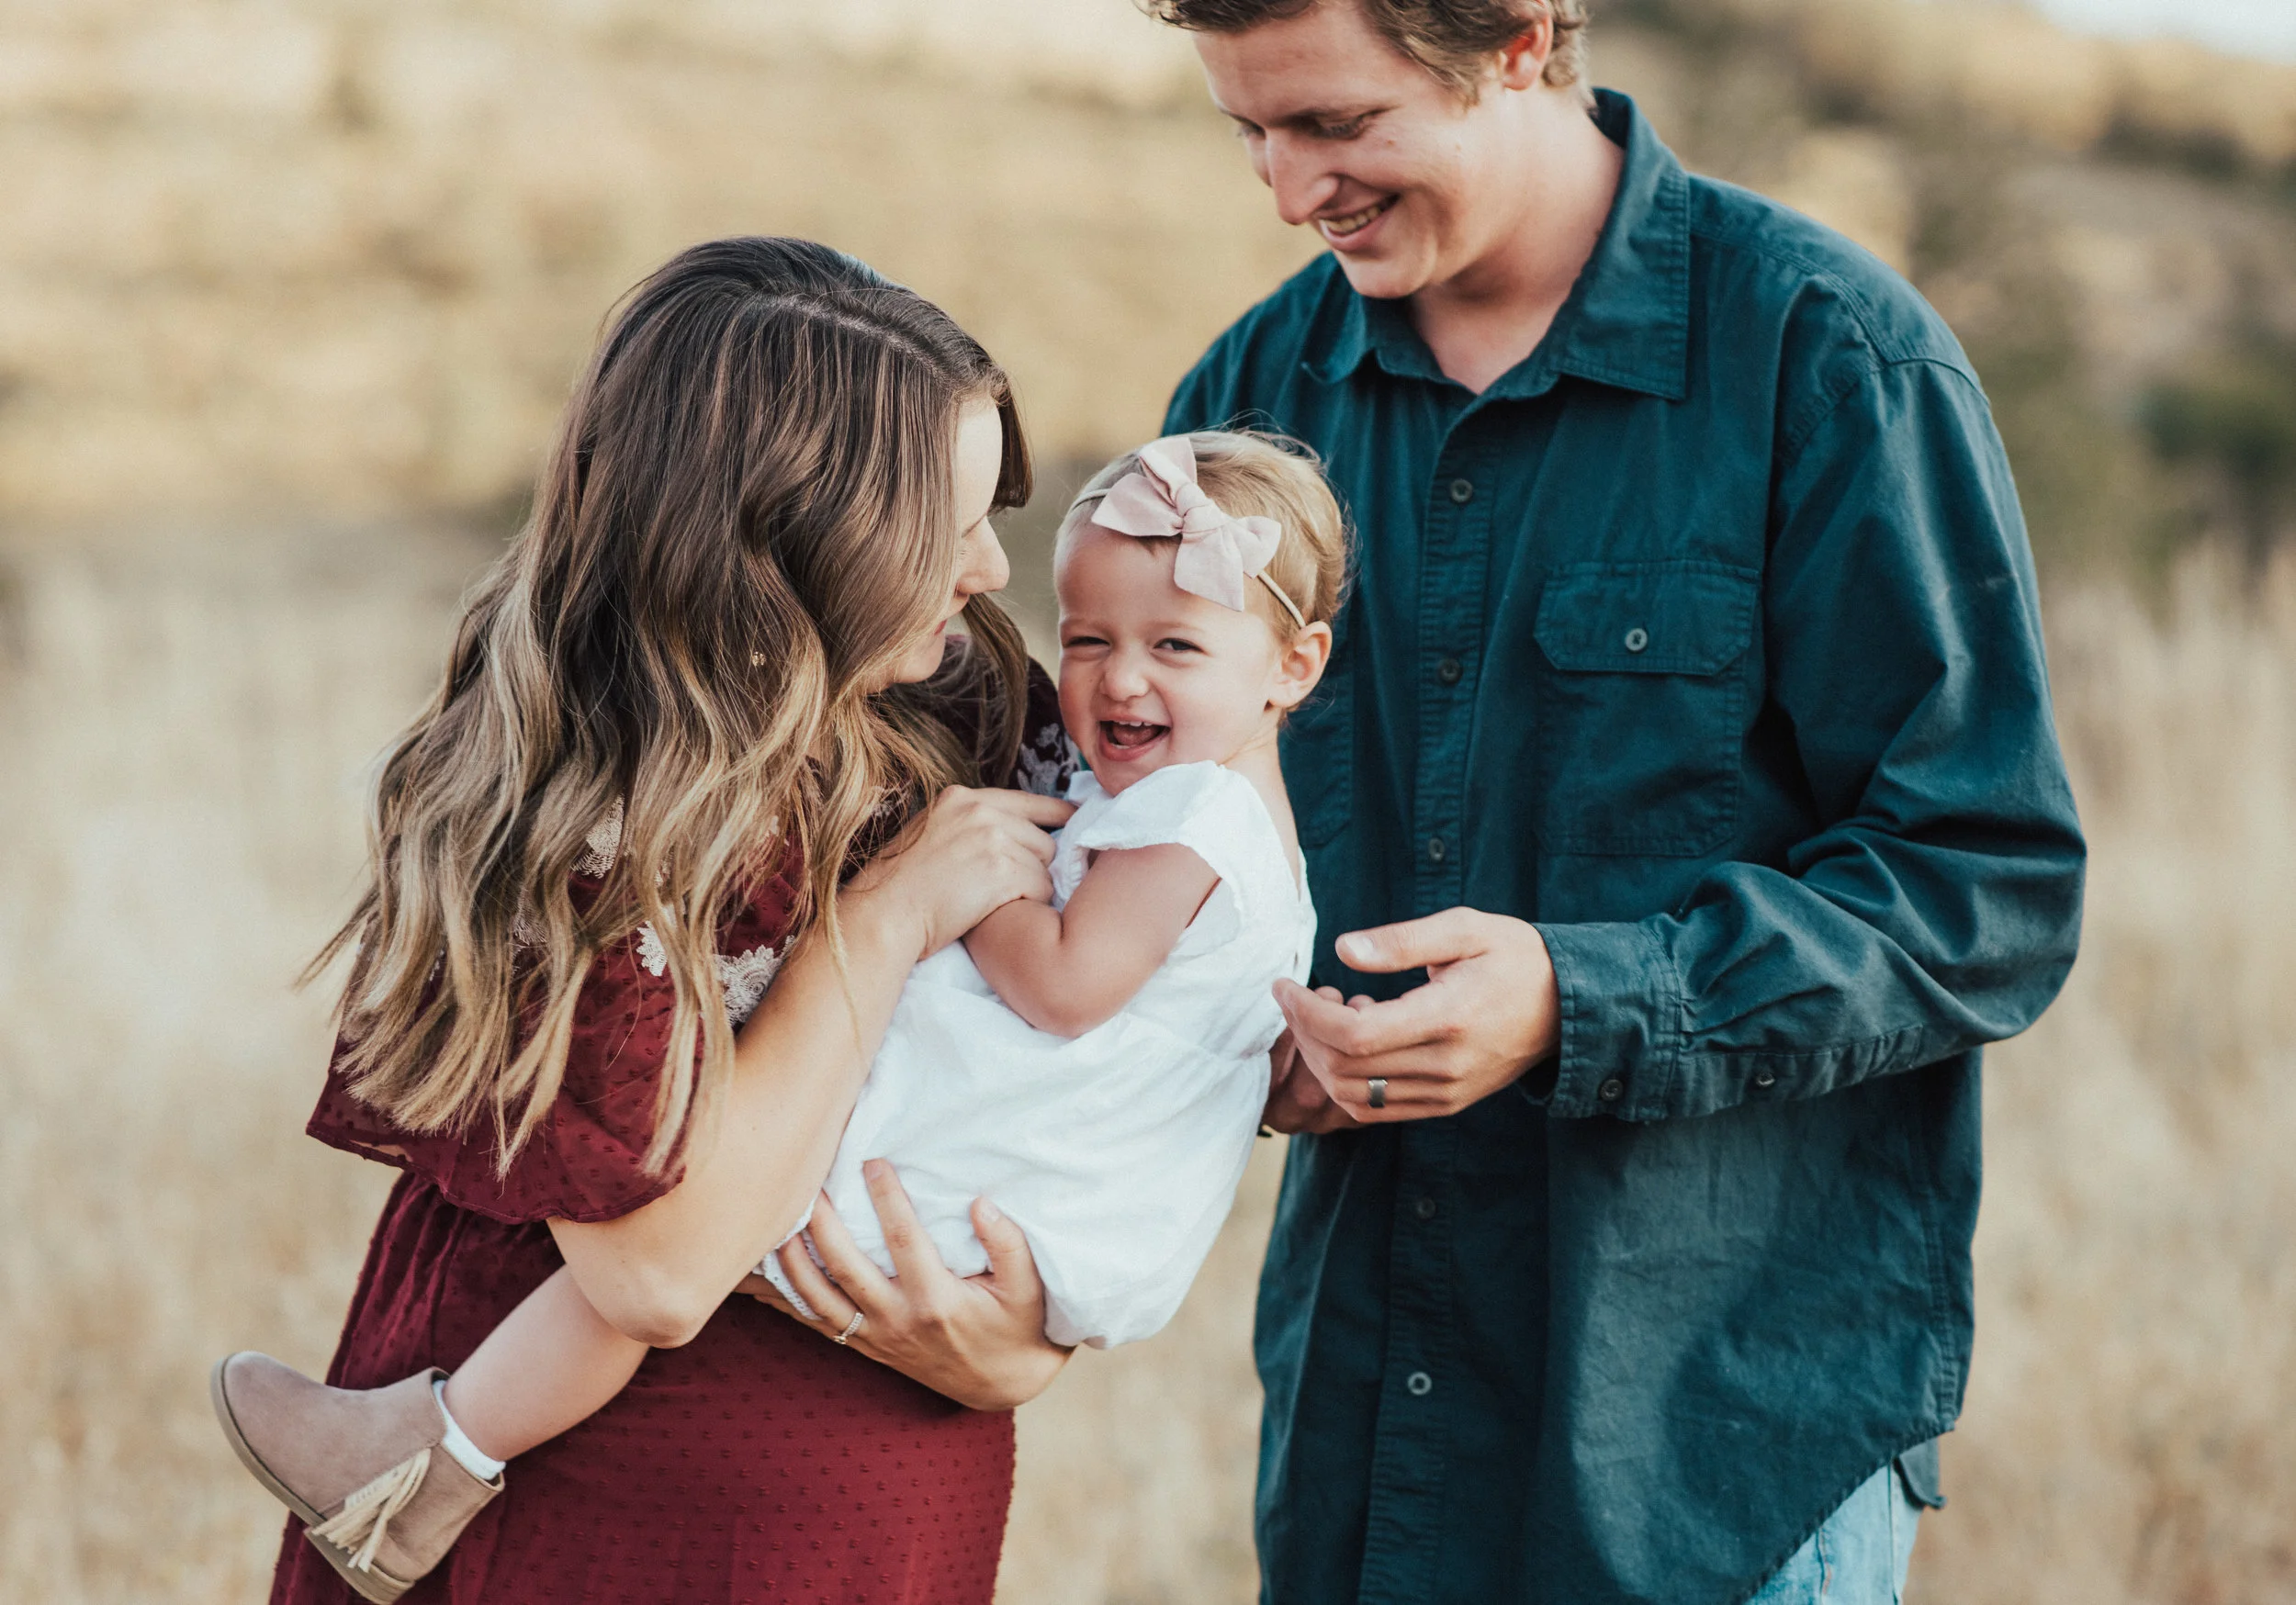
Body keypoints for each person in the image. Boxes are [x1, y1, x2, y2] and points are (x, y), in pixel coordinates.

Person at [1148, 1, 2088, 1602]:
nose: (1289, 190)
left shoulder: (1826, 357)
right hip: (1365, 1440)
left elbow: (1985, 887)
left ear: (1519, 37)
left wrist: (1582, 1000)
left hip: (1719, 1458)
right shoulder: (1247, 399)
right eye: (1249, 130)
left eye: (1336, 126)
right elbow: (1170, 845)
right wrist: (1239, 1033)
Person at [214, 429, 1349, 1598]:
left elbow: (1068, 984)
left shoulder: (1155, 792)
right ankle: (431, 1456)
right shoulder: (1139, 774)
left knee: (708, 1221)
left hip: (904, 1281)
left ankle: (437, 1453)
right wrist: (909, 892)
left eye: (1173, 643)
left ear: (1292, 665)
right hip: (815, 1365)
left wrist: (933, 881)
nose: (990, 571)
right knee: (683, 1239)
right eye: (1090, 638)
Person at [211, 237, 1082, 1605]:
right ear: (786, 543)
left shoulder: (958, 704)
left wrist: (1031, 1335)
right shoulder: (577, 810)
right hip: (595, 1512)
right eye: (944, 525)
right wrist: (895, 906)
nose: (986, 566)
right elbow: (658, 1273)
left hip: (884, 1498)